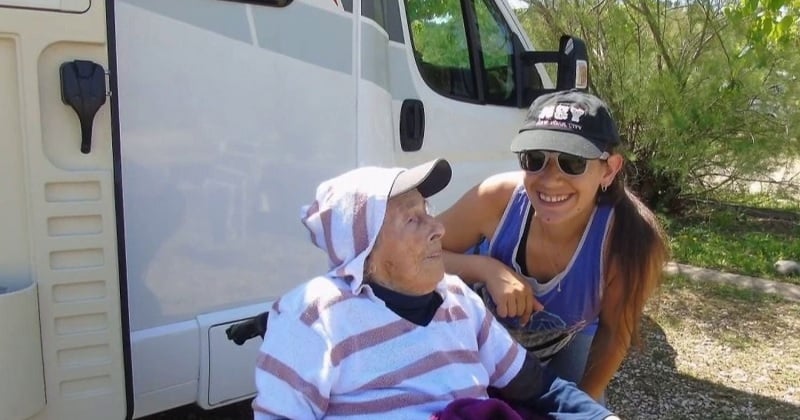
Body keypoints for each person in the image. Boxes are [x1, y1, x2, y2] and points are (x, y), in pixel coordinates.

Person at [252, 158, 619, 419]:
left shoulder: (458, 299)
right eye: (413, 219)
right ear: (364, 249)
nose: (439, 229)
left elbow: (537, 386)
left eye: (428, 211)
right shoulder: (316, 318)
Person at [437, 89, 669, 402]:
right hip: (475, 337)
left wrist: (582, 405)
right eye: (535, 159)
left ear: (609, 169)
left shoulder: (629, 241)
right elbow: (416, 255)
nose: (549, 180)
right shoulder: (497, 199)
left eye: (571, 162)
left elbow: (615, 333)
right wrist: (486, 270)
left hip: (564, 343)